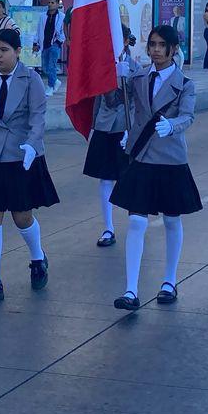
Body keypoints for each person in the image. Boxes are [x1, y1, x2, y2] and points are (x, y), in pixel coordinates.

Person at [111, 24, 202, 309]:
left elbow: (188, 117)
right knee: (137, 221)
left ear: (173, 49)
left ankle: (169, 280)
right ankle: (130, 290)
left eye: (162, 45)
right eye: (152, 44)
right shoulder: (138, 76)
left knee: (172, 220)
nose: (155, 50)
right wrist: (116, 77)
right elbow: (115, 101)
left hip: (170, 158)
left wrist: (171, 125)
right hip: (141, 157)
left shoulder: (185, 84)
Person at [0, 28, 57, 306]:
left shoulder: (31, 80)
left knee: (21, 216)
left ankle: (37, 257)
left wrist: (32, 144)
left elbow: (38, 117)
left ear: (18, 52)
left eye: (3, 50)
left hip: (22, 155)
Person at [83, 26, 134, 248]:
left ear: (125, 41)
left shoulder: (135, 68)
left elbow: (138, 102)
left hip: (125, 127)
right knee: (105, 179)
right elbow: (97, 100)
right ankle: (108, 227)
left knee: (130, 178)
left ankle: (136, 222)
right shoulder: (101, 68)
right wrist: (93, 126)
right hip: (105, 126)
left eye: (117, 40)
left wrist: (133, 131)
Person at [40, 0, 65, 95]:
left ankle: (50, 86)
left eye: (52, 2)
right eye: (49, 2)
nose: (50, 4)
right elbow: (39, 30)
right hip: (44, 44)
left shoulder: (61, 16)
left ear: (57, 5)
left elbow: (63, 31)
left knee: (51, 66)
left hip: (55, 44)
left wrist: (59, 42)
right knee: (45, 68)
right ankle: (56, 81)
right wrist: (36, 43)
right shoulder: (43, 16)